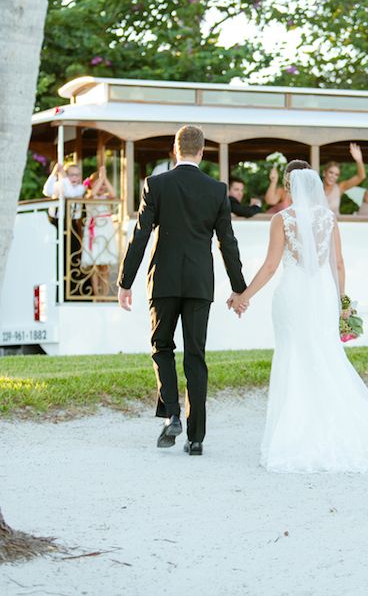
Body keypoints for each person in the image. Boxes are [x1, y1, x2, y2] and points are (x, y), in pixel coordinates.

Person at [230, 160, 368, 474]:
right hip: (321, 294)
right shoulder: (329, 219)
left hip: (292, 294)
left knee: (294, 357)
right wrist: (340, 301)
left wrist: (244, 297)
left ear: (289, 186)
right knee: (324, 354)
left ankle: (294, 432)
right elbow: (339, 264)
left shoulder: (281, 220)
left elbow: (270, 266)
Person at [117, 124, 246, 455]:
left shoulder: (156, 185)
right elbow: (227, 242)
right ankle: (197, 437)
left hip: (164, 280)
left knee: (161, 347)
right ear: (202, 152)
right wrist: (239, 288)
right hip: (200, 282)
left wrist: (125, 282)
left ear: (175, 151)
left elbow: (141, 234)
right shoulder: (217, 190)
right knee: (195, 356)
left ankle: (172, 413)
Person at [42, 162, 88, 297]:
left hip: (71, 225)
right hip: (55, 223)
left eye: (77, 175)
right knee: (55, 256)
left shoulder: (80, 189)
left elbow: (69, 192)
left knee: (70, 257)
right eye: (71, 174)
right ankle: (55, 290)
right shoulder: (61, 183)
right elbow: (47, 190)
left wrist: (63, 178)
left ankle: (70, 291)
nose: (74, 177)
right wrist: (54, 174)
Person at [81, 166, 119, 297]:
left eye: (103, 184)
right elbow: (93, 193)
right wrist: (100, 177)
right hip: (95, 229)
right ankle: (97, 294)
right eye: (98, 183)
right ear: (91, 185)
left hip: (106, 229)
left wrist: (105, 179)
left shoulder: (106, 197)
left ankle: (105, 292)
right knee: (95, 264)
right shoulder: (89, 196)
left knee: (105, 265)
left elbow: (114, 194)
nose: (102, 186)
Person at [322, 143, 366, 213]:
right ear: (324, 173)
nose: (333, 176)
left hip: (335, 223)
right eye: (331, 172)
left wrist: (359, 160)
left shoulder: (340, 188)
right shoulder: (315, 188)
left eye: (336, 174)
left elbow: (361, 177)